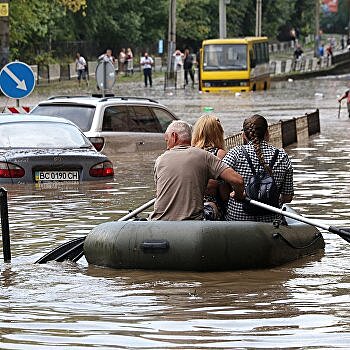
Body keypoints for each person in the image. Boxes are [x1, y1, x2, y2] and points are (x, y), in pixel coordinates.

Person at [149, 120, 244, 221]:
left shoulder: (160, 160)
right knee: (211, 205)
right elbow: (238, 180)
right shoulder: (204, 156)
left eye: (167, 141)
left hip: (158, 221)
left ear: (174, 136)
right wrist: (238, 195)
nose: (167, 146)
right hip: (192, 222)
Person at [222, 114, 294, 222]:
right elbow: (287, 197)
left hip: (237, 221)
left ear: (244, 136)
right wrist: (267, 196)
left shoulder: (235, 154)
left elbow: (218, 178)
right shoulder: (282, 156)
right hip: (271, 222)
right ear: (267, 133)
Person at [191, 114, 230, 220]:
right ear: (218, 133)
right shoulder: (220, 154)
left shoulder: (189, 153)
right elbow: (225, 194)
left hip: (191, 206)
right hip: (214, 209)